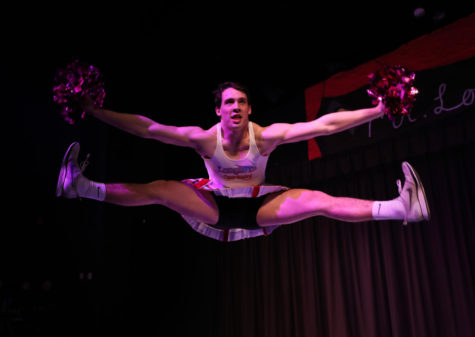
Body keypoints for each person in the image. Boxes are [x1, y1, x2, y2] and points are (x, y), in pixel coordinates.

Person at [56, 82, 430, 241]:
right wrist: (95, 110)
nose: (235, 107)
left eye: (242, 102)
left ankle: (400, 208)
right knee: (161, 190)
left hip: (258, 206)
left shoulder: (265, 137)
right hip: (212, 205)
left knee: (318, 201)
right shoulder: (203, 139)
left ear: (250, 109)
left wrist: (379, 109)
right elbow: (148, 129)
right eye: (228, 102)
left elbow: (325, 124)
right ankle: (82, 187)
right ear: (218, 111)